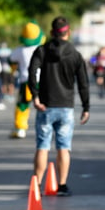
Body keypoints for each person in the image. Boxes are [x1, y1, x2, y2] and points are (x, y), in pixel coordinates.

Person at [28, 16, 90, 196]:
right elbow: (83, 83)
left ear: (51, 33)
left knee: (42, 145)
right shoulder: (76, 54)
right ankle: (62, 185)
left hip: (45, 106)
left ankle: (37, 185)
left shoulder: (41, 50)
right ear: (68, 32)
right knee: (64, 146)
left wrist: (35, 96)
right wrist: (86, 107)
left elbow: (32, 72)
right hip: (66, 108)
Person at [9, 21, 45, 139]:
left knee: (22, 105)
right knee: (44, 104)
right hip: (42, 81)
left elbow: (11, 60)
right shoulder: (42, 49)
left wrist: (14, 68)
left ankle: (20, 128)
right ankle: (46, 127)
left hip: (26, 81)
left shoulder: (20, 50)